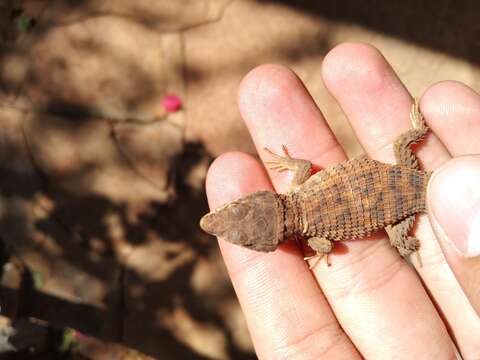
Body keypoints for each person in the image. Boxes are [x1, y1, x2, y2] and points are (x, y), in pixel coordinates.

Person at [203, 43, 480, 359]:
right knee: (404, 149)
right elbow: (305, 166)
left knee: (399, 239)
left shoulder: (314, 238)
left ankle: (406, 242)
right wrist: (289, 164)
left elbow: (325, 248)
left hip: (401, 207)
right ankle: (416, 131)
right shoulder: (301, 187)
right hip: (401, 179)